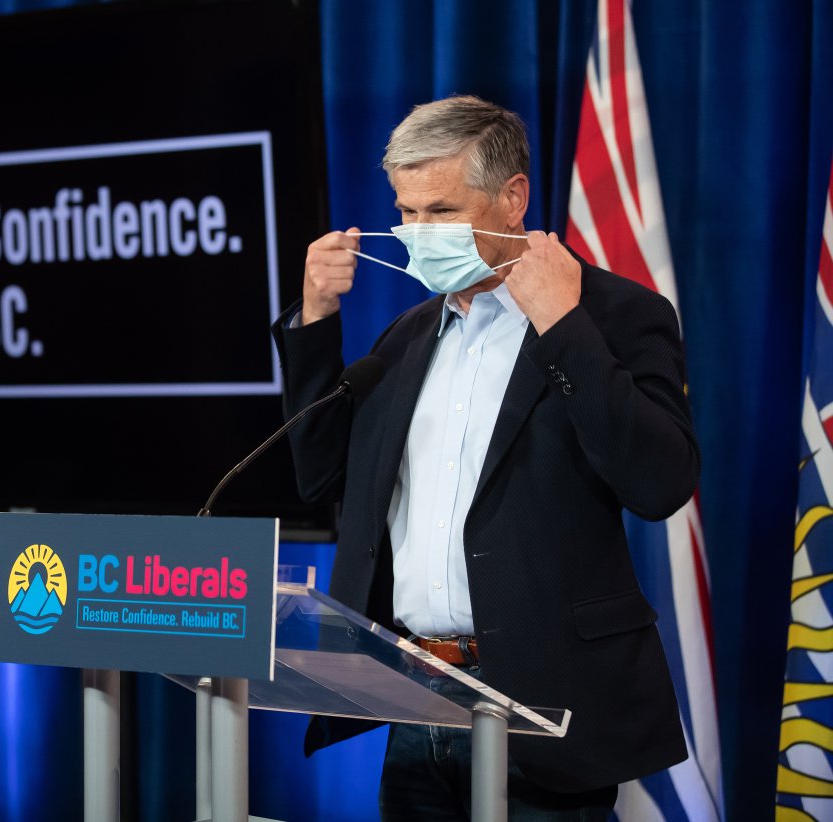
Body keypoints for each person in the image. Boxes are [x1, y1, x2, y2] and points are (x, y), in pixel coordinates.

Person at [270, 95, 696, 820]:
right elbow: (318, 476)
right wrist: (314, 322)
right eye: (405, 211)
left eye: (440, 211)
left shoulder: (617, 315)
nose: (416, 233)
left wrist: (562, 325)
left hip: (546, 714)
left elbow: (659, 482)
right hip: (416, 703)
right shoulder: (405, 338)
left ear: (512, 198)